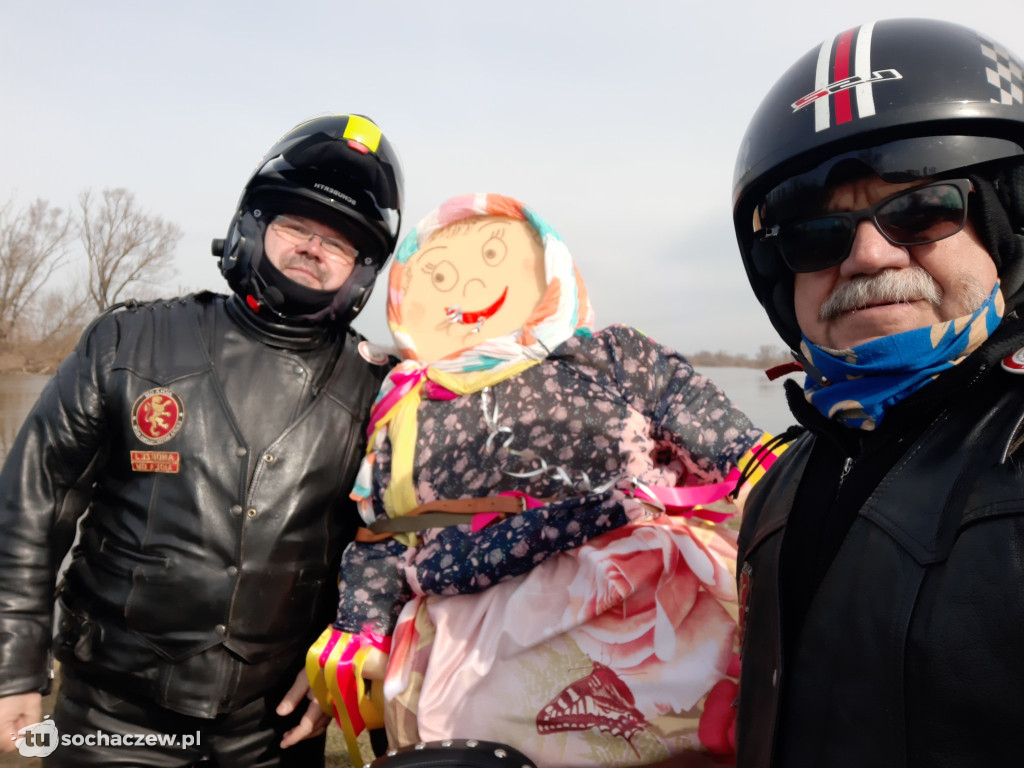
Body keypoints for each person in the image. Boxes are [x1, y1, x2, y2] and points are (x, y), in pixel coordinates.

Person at [306, 193, 785, 767]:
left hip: (648, 598)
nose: (468, 288)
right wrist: (359, 628)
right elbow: (390, 531)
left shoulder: (608, 357)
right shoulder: (405, 408)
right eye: (437, 274)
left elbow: (729, 444)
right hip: (468, 639)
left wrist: (784, 485)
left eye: (494, 255)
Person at [0, 113, 403, 766]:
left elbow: (396, 542)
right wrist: (12, 664)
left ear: (361, 270)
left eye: (340, 242)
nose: (313, 247)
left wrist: (351, 648)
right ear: (254, 224)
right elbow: (31, 505)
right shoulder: (131, 342)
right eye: (297, 225)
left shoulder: (381, 389)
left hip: (275, 727)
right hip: (110, 718)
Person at [731, 17, 1024, 767]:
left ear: (1005, 229)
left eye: (921, 208)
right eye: (815, 234)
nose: (866, 254)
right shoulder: (779, 485)